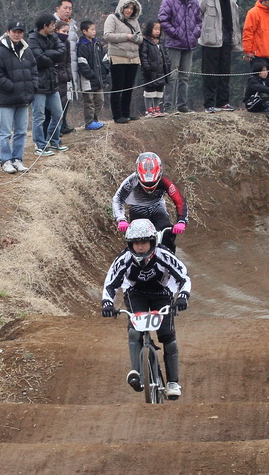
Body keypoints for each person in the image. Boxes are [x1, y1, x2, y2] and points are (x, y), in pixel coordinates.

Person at [101, 218, 191, 400]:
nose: (140, 247)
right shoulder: (124, 258)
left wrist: (183, 296)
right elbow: (110, 284)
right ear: (130, 244)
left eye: (143, 242)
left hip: (163, 293)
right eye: (135, 243)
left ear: (152, 242)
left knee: (167, 336)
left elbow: (184, 277)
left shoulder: (163, 255)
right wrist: (107, 302)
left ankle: (172, 382)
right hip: (136, 294)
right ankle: (136, 373)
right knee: (135, 332)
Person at [112, 152, 188, 253]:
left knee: (167, 234)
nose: (149, 188)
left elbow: (179, 200)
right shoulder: (132, 180)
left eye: (153, 183)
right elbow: (118, 199)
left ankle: (170, 259)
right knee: (137, 239)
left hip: (157, 207)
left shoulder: (164, 181)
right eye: (145, 184)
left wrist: (181, 221)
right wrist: (121, 219)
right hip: (137, 208)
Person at [0, 21, 37, 174]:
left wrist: (32, 87)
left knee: (21, 131)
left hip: (23, 98)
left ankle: (17, 159)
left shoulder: (27, 50)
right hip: (7, 99)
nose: (17, 34)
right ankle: (5, 160)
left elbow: (34, 70)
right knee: (5, 132)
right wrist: (11, 86)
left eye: (20, 32)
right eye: (14, 31)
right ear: (8, 32)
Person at [158, 0, 202, 114]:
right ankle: (169, 106)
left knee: (185, 76)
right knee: (173, 76)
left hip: (189, 44)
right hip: (174, 44)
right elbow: (163, 20)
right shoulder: (169, 1)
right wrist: (176, 33)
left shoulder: (194, 1)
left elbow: (199, 21)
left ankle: (182, 105)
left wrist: (195, 34)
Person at [198, 0, 241, 113]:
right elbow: (196, 16)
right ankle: (209, 103)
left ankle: (223, 102)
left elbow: (235, 20)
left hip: (227, 40)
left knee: (225, 73)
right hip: (210, 41)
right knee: (210, 73)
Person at [26, 14, 68, 156]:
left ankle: (53, 141)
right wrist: (51, 58)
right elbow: (38, 59)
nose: (54, 27)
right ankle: (40, 145)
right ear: (45, 26)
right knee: (39, 116)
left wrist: (48, 54)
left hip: (52, 82)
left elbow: (62, 51)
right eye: (52, 24)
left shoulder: (53, 37)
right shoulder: (32, 39)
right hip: (39, 84)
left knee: (58, 114)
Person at [103, 0, 144, 124]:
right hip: (118, 57)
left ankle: (126, 113)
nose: (129, 10)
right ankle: (117, 115)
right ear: (121, 7)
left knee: (129, 87)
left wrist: (137, 38)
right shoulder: (112, 18)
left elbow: (141, 37)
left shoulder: (134, 21)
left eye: (132, 8)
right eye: (127, 7)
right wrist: (126, 36)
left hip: (133, 58)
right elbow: (107, 35)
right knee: (117, 87)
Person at [53, 0, 79, 135]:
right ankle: (55, 126)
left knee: (67, 96)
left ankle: (63, 123)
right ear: (58, 9)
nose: (68, 11)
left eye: (70, 8)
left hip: (70, 64)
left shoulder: (73, 25)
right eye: (65, 8)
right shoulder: (52, 24)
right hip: (57, 66)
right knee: (57, 98)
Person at [76, 20, 107, 130]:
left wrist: (105, 72)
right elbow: (82, 63)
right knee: (89, 101)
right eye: (92, 29)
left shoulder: (98, 44)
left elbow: (105, 59)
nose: (94, 32)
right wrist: (91, 75)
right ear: (84, 31)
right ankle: (89, 122)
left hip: (99, 79)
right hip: (88, 80)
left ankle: (95, 119)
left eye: (95, 29)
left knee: (100, 100)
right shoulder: (82, 45)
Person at [139, 21, 170, 118]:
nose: (157, 31)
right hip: (150, 71)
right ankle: (149, 110)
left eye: (159, 29)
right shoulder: (145, 42)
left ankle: (157, 108)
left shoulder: (161, 43)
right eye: (155, 29)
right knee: (149, 91)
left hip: (161, 71)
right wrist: (147, 68)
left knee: (159, 91)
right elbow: (143, 57)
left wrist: (167, 66)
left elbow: (165, 56)